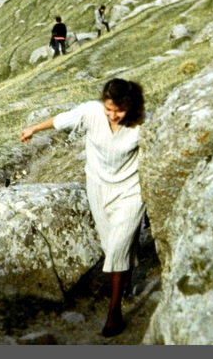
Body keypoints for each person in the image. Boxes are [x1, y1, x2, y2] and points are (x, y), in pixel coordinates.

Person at [20, 78, 146, 337]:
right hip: (98, 187)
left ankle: (114, 312)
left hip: (131, 189)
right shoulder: (91, 112)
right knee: (111, 242)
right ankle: (125, 279)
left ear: (130, 107)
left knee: (119, 242)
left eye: (119, 111)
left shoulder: (144, 124)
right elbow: (60, 120)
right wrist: (34, 128)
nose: (113, 116)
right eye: (109, 109)